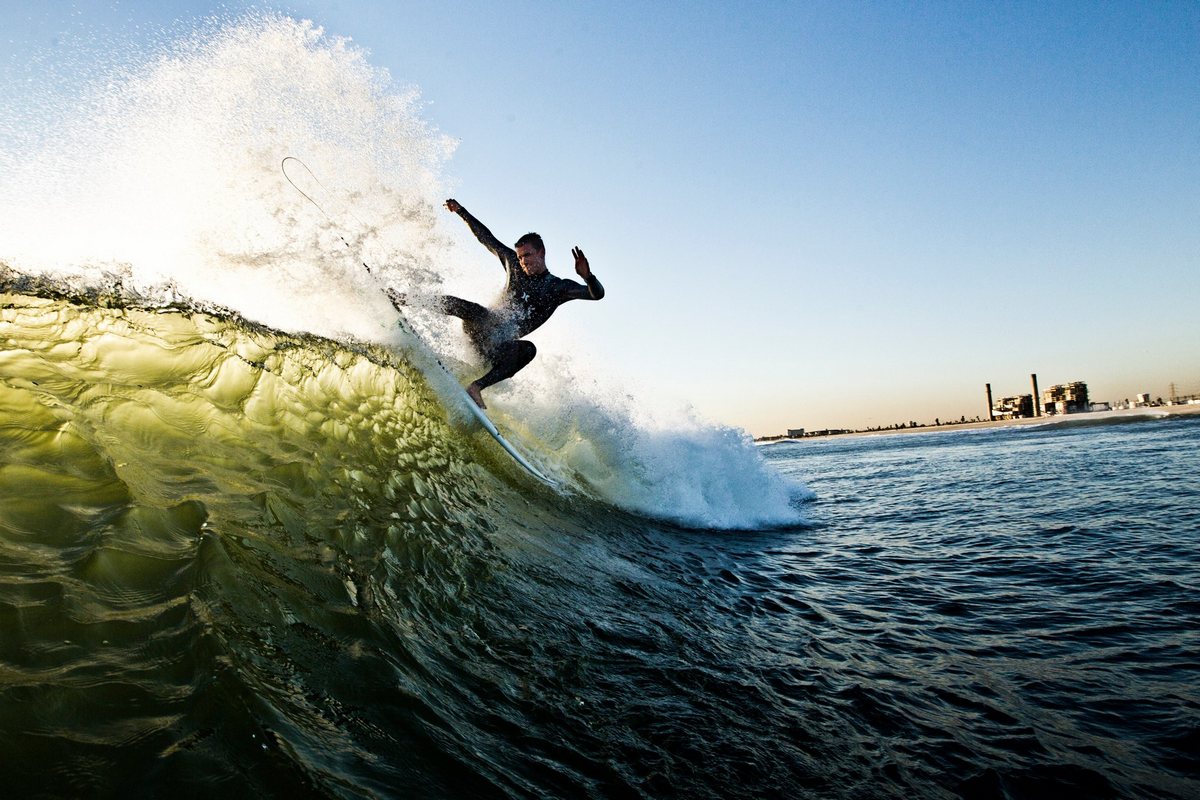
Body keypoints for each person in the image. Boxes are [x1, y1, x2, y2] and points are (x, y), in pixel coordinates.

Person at [387, 198, 605, 409]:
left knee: (528, 349)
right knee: (475, 310)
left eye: (527, 255)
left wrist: (588, 277)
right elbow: (487, 238)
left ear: (541, 252)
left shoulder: (558, 288)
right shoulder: (514, 265)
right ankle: (402, 299)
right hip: (480, 328)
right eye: (520, 257)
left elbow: (596, 295)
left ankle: (476, 387)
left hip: (496, 350)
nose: (523, 261)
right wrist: (461, 211)